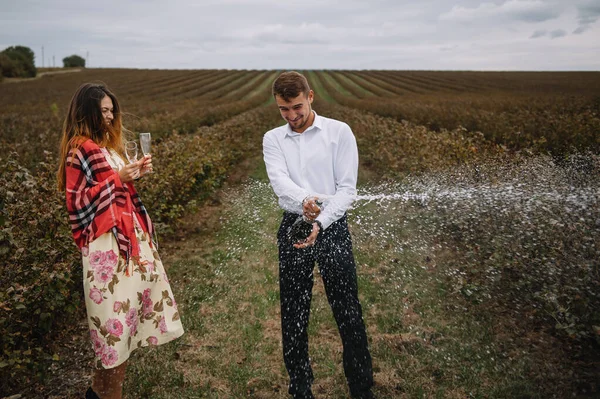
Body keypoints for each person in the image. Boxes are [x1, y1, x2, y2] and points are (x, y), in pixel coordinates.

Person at [57, 83, 184, 399]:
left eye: (112, 110)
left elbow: (119, 192)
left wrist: (135, 173)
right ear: (87, 112)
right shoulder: (79, 149)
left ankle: (96, 395)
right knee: (114, 332)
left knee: (123, 330)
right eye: (103, 110)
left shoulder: (108, 148)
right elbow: (77, 203)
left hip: (129, 244)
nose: (110, 116)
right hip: (106, 251)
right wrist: (119, 178)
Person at [262, 71, 374, 399]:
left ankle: (362, 388)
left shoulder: (339, 133)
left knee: (347, 308)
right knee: (294, 310)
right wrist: (304, 203)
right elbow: (280, 182)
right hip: (294, 224)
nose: (292, 116)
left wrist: (320, 221)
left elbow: (346, 190)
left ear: (311, 97)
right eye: (284, 109)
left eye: (297, 106)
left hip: (332, 226)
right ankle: (300, 388)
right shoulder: (273, 139)